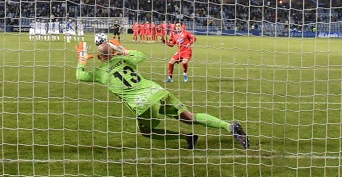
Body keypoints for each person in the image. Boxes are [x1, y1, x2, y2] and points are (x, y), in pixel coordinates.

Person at [75, 40, 249, 150]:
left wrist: (82, 59)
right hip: (157, 91)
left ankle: (187, 137)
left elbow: (80, 76)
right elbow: (141, 56)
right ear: (113, 53)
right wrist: (123, 50)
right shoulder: (124, 59)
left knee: (147, 132)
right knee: (190, 117)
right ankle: (229, 126)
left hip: (142, 103)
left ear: (99, 57)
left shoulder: (100, 73)